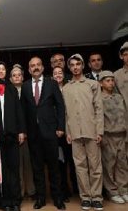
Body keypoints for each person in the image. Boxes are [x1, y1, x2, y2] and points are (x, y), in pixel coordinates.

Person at [21, 57, 66, 210]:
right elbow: (23, 111)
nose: (35, 68)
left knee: (54, 168)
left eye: (38, 65)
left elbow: (60, 107)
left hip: (51, 133)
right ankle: (40, 198)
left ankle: (57, 198)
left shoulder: (52, 84)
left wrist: (61, 127)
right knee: (37, 168)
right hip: (33, 135)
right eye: (32, 66)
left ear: (42, 67)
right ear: (28, 70)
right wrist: (24, 131)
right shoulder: (25, 86)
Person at [62, 54, 104, 211]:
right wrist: (68, 132)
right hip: (75, 133)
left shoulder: (92, 84)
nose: (75, 67)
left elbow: (99, 109)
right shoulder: (66, 88)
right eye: (72, 65)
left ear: (82, 66)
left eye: (78, 64)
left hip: (92, 131)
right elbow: (65, 113)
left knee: (95, 167)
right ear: (69, 67)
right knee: (80, 167)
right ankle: (86, 197)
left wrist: (99, 130)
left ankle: (97, 198)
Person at [0, 62, 26, 211]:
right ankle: (6, 201)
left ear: (6, 72)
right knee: (3, 171)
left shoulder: (12, 89)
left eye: (3, 69)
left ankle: (16, 201)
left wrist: (21, 131)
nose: (1, 72)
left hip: (12, 135)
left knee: (14, 168)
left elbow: (19, 111)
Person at [98, 70, 128, 204]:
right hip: (108, 135)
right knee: (109, 165)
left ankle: (124, 189)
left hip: (121, 134)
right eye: (107, 81)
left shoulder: (119, 97)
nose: (111, 83)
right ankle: (112, 191)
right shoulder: (99, 99)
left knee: (122, 164)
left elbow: (125, 116)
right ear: (101, 83)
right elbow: (98, 118)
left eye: (112, 80)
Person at [52, 66, 78, 201]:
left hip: (72, 131)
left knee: (73, 162)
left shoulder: (69, 88)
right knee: (60, 163)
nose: (58, 75)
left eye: (60, 73)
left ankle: (77, 189)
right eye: (55, 73)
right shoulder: (49, 89)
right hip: (57, 133)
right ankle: (64, 190)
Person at [10, 65, 36, 200]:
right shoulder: (8, 92)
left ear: (23, 77)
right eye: (14, 75)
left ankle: (31, 190)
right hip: (14, 134)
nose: (16, 77)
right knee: (17, 164)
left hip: (29, 133)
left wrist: (25, 131)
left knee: (29, 163)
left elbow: (30, 113)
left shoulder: (28, 89)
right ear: (10, 78)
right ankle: (19, 192)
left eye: (19, 75)